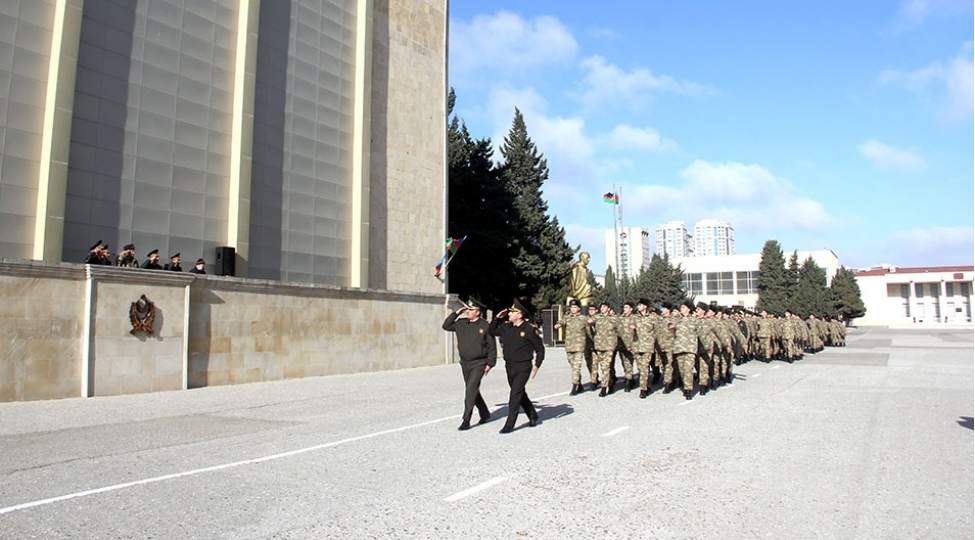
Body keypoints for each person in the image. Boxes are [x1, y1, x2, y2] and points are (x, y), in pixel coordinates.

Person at [489, 298, 544, 434]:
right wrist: (497, 318)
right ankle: (532, 415)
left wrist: (537, 364)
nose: (509, 314)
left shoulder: (529, 329)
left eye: (512, 312)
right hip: (509, 366)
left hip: (523, 367)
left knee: (514, 395)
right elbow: (492, 331)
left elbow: (540, 348)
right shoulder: (507, 328)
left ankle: (510, 424)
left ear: (519, 315)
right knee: (519, 392)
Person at [442, 297, 497, 430]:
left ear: (478, 312)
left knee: (470, 389)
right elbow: (446, 326)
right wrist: (456, 313)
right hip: (465, 363)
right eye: (468, 309)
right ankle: (484, 413)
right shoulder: (461, 323)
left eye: (471, 310)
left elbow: (492, 346)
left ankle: (466, 419)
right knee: (472, 390)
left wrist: (490, 363)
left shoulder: (485, 326)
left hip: (479, 363)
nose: (468, 312)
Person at [554, 299, 591, 395]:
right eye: (571, 307)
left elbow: (589, 331)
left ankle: (574, 386)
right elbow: (562, 321)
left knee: (577, 367)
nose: (573, 309)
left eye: (575, 307)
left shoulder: (583, 318)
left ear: (579, 308)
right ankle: (580, 384)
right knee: (573, 366)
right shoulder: (567, 318)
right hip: (569, 346)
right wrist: (558, 324)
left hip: (579, 346)